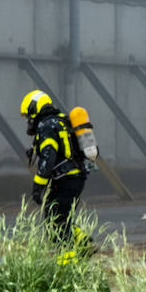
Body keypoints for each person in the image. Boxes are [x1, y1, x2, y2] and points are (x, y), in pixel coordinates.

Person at [20, 89, 87, 241]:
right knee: (59, 217)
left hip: (65, 180)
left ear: (35, 108)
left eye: (28, 115)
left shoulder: (46, 127)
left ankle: (67, 260)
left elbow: (48, 159)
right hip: (76, 177)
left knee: (57, 222)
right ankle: (83, 243)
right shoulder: (62, 121)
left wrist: (37, 188)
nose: (28, 120)